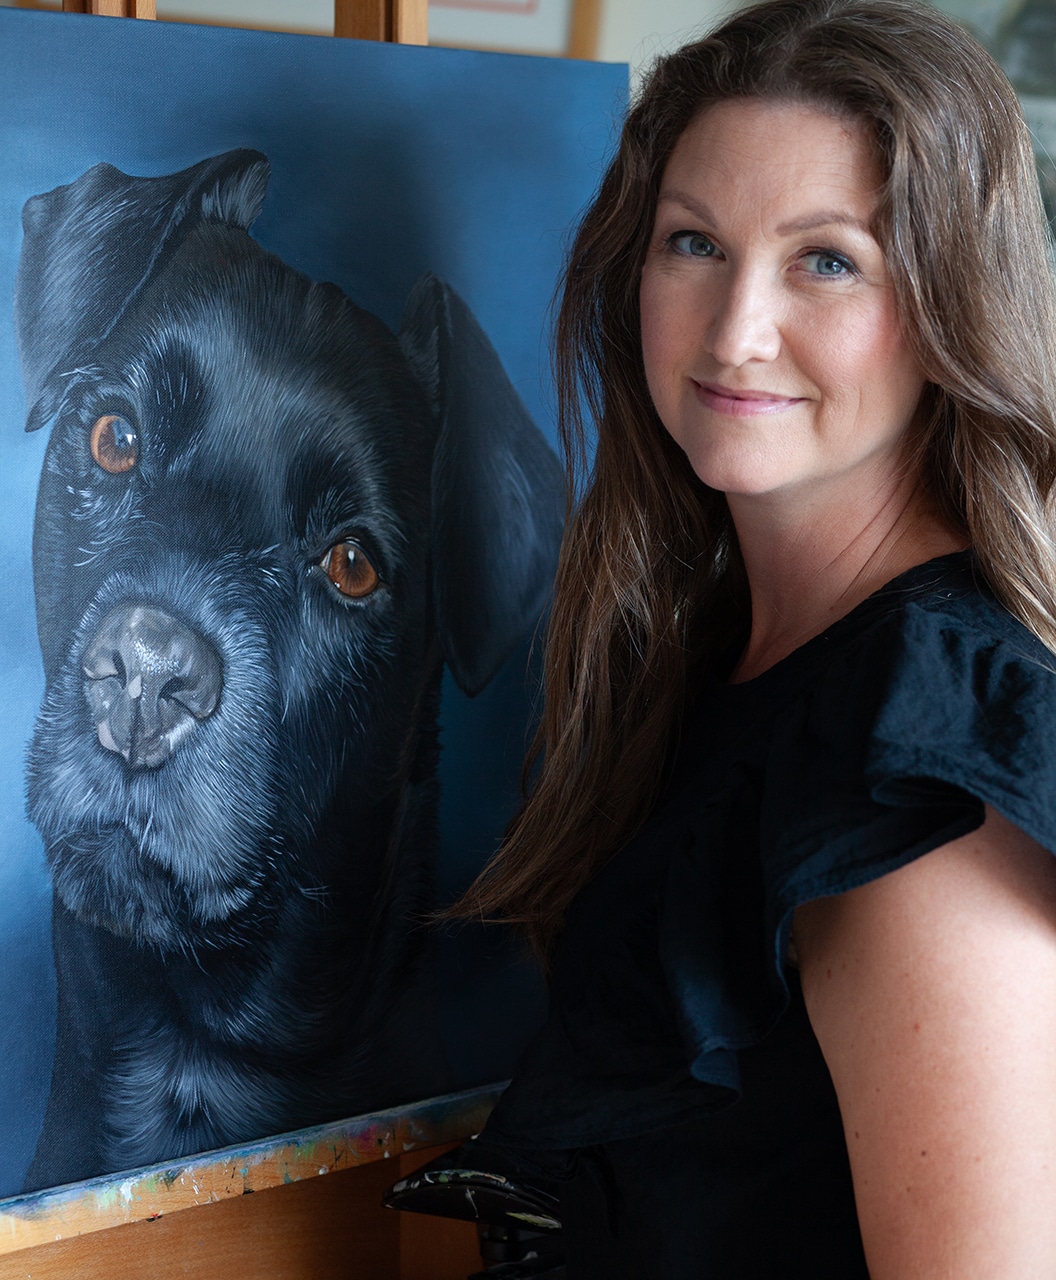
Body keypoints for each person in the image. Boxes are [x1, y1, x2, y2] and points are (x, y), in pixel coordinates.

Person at [452, 0, 1056, 1275]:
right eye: (694, 243)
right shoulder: (724, 648)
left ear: (949, 303)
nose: (734, 331)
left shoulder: (921, 747)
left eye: (826, 259)